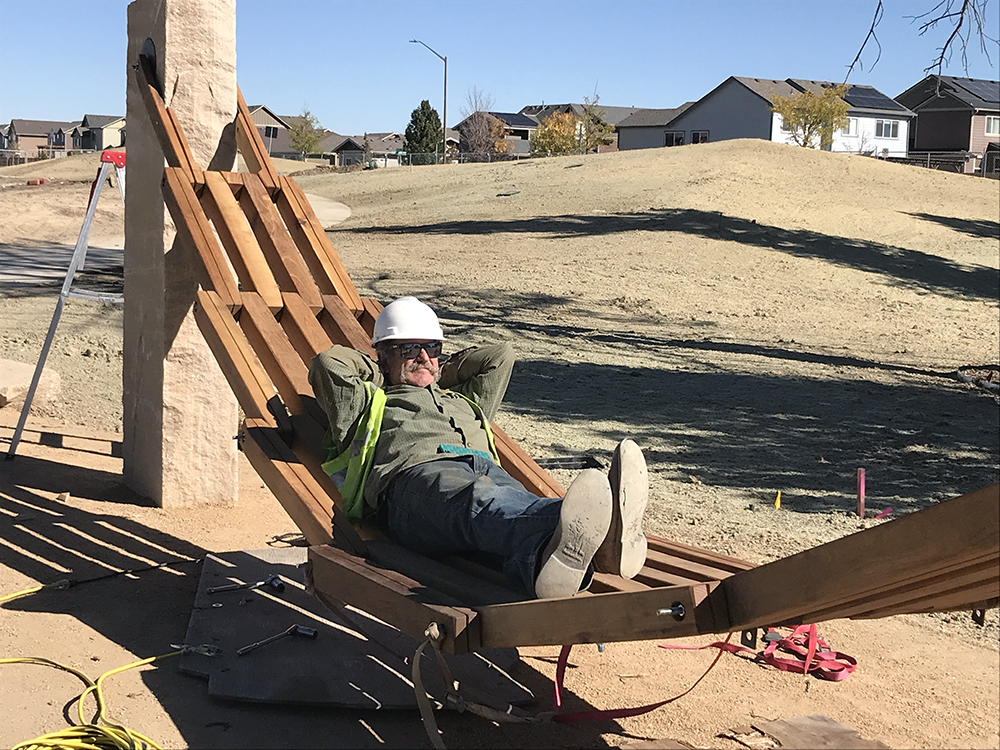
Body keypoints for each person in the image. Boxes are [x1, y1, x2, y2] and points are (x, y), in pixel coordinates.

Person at [308, 296, 649, 599]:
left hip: (486, 471)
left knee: (502, 502)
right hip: (412, 486)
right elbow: (330, 364)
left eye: (432, 348)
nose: (424, 357)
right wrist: (386, 370)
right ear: (382, 354)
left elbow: (499, 356)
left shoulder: (460, 400)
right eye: (410, 349)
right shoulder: (371, 402)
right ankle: (598, 531)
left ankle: (546, 559)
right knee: (477, 499)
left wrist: (432, 370)